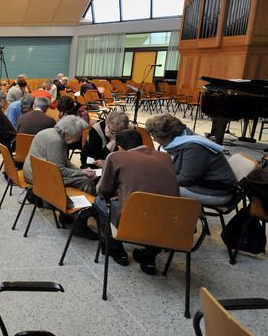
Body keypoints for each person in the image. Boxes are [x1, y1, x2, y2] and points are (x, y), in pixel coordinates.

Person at [96, 129, 179, 274]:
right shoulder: (166, 157)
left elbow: (104, 191)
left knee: (100, 202)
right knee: (157, 209)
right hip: (170, 222)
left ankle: (115, 249)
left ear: (120, 146)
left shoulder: (116, 157)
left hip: (133, 220)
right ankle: (149, 257)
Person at [145, 114, 236, 205]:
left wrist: (160, 180)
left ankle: (166, 217)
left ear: (167, 135)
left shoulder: (194, 147)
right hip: (203, 184)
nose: (155, 141)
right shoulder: (183, 139)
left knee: (156, 190)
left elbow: (186, 178)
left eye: (156, 138)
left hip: (216, 191)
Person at [23, 115, 95, 193]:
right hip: (38, 177)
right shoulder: (56, 141)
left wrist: (80, 170)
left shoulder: (51, 132)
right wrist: (81, 173)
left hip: (33, 172)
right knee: (85, 181)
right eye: (78, 135)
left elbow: (64, 162)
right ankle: (85, 204)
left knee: (82, 176)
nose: (78, 139)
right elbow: (59, 170)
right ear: (68, 133)